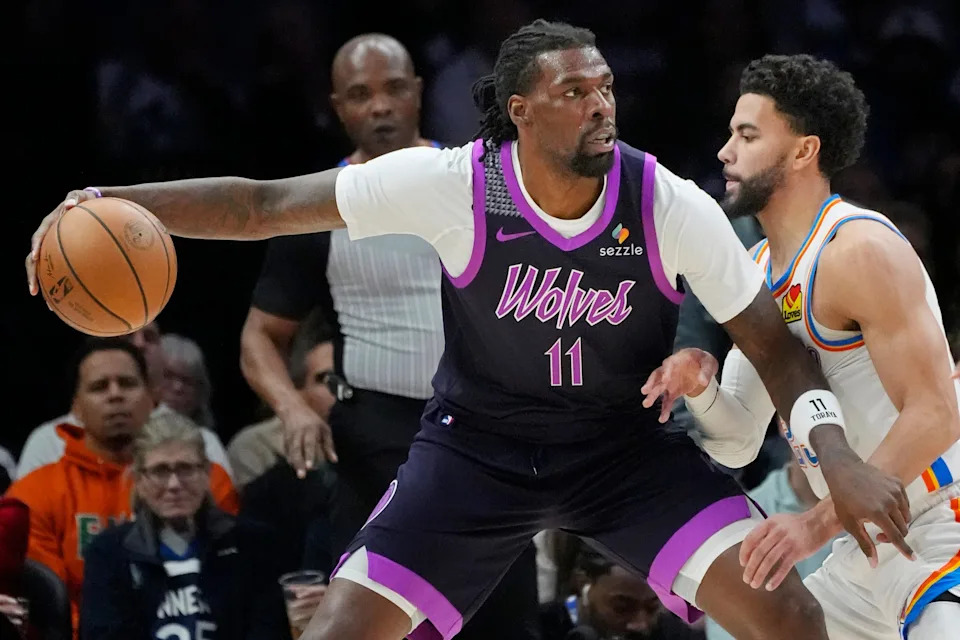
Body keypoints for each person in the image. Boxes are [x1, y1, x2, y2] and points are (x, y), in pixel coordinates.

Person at [26, 20, 915, 640]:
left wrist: (836, 455)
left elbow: (773, 345)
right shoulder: (453, 183)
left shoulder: (667, 201)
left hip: (622, 454)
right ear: (520, 110)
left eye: (606, 88)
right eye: (575, 91)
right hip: (476, 453)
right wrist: (105, 200)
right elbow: (262, 206)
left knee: (790, 616)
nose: (601, 105)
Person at [644, 54, 960, 639]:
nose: (725, 152)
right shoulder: (756, 270)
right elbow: (740, 442)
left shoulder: (858, 250)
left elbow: (937, 414)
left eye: (748, 136)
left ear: (802, 151)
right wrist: (702, 386)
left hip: (939, 521)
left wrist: (813, 526)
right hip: (861, 548)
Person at [239, 33, 542, 638]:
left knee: (505, 622)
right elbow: (259, 337)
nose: (379, 106)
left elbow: (539, 296)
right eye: (360, 95)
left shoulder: (483, 181)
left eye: (394, 89)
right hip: (375, 437)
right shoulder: (313, 206)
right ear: (337, 107)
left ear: (418, 93)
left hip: (486, 428)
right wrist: (292, 408)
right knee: (372, 623)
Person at [3, 338, 238, 635]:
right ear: (76, 405)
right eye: (99, 387)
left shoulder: (206, 480)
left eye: (127, 384)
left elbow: (233, 582)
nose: (115, 395)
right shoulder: (35, 494)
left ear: (152, 397)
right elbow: (50, 607)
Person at [80, 411, 289, 639]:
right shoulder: (108, 554)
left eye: (186, 469)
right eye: (160, 471)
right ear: (139, 480)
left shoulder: (254, 544)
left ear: (207, 473)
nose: (174, 484)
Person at [17, 322, 233, 480]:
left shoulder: (202, 442)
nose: (140, 344)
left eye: (150, 337)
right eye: (128, 335)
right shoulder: (48, 442)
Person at [541, 542, 705, 640]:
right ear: (582, 583)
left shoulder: (673, 633)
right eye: (621, 608)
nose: (640, 624)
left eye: (652, 608)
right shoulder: (539, 627)